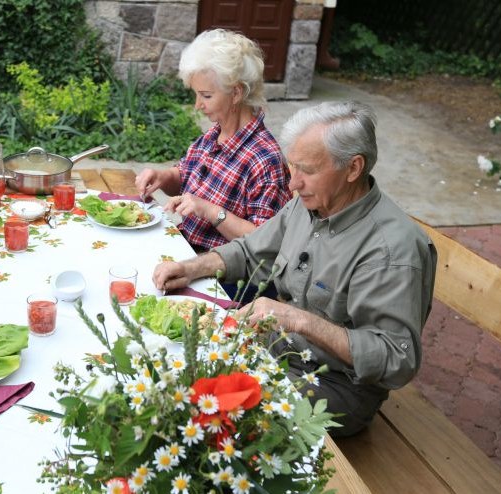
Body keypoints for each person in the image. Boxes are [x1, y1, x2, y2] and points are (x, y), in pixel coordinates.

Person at [152, 101, 437, 437]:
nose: (293, 184)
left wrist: (298, 319)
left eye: (308, 170)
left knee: (206, 401)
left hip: (336, 386)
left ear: (353, 167)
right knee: (177, 358)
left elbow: (395, 359)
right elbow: (252, 250)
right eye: (293, 168)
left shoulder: (391, 250)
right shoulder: (313, 202)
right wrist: (189, 268)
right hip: (282, 347)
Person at [135, 29, 291, 253]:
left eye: (206, 95)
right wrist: (162, 177)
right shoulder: (213, 136)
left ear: (236, 93)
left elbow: (264, 240)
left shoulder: (264, 159)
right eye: (196, 95)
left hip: (221, 274)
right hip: (186, 248)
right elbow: (185, 174)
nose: (198, 105)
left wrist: (209, 211)